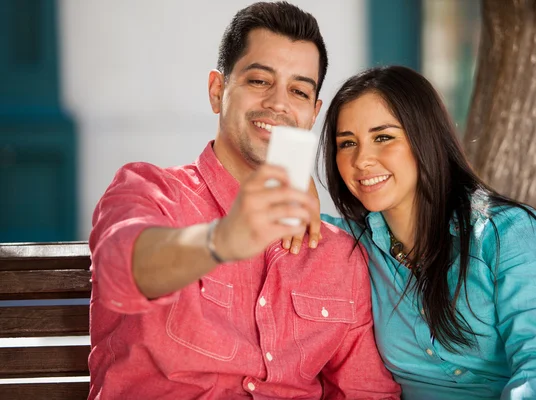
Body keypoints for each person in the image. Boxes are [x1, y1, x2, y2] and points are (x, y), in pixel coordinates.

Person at [87, 3, 400, 399]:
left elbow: (367, 392)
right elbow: (125, 269)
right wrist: (220, 240)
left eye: (299, 90)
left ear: (313, 113)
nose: (279, 103)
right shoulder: (150, 192)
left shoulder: (338, 256)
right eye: (258, 81)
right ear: (218, 91)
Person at [319, 65, 536, 400]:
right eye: (347, 143)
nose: (361, 160)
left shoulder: (506, 232)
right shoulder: (352, 244)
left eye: (383, 137)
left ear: (424, 137)